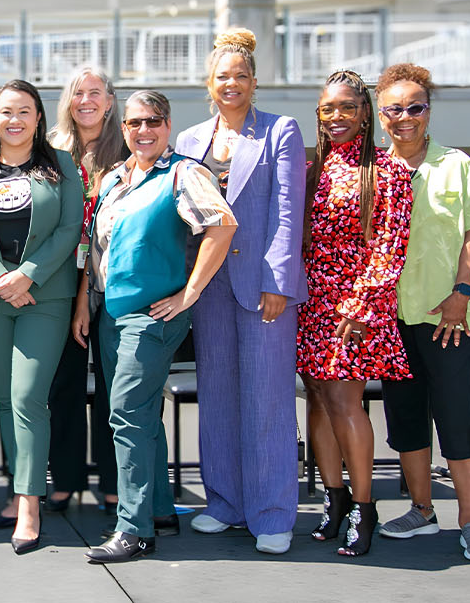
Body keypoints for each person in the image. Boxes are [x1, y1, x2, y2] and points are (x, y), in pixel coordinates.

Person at [75, 90, 237, 563]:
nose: (143, 131)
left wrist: (190, 293)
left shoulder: (184, 173)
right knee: (139, 412)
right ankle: (159, 509)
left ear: (168, 125)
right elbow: (95, 245)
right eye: (134, 123)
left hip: (150, 317)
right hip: (109, 312)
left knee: (126, 414)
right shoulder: (115, 178)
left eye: (154, 121)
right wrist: (86, 304)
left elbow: (222, 226)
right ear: (122, 128)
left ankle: (134, 530)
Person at [174, 29, 305, 555]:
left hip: (261, 286)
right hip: (207, 286)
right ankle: (225, 503)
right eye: (223, 76)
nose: (232, 84)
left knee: (268, 399)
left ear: (255, 82)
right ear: (210, 82)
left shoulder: (280, 132)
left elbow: (287, 213)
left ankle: (272, 512)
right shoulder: (188, 142)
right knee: (220, 396)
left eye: (241, 76)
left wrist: (279, 280)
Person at [370, 62, 470, 562]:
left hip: (449, 318)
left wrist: (461, 292)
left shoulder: (456, 165)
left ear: (429, 111)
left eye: (415, 107)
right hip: (392, 318)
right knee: (405, 418)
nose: (405, 117)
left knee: (457, 417)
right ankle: (421, 510)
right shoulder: (372, 170)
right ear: (381, 115)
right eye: (394, 109)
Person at [0, 79, 82, 554]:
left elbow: (70, 228)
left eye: (24, 112)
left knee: (29, 396)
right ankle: (15, 485)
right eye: (6, 112)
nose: (15, 120)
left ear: (38, 118)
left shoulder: (61, 165)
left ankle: (30, 502)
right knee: (6, 399)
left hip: (43, 298)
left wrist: (27, 275)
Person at [297, 69, 413, 557]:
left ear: (366, 111)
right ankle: (336, 500)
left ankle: (366, 510)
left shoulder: (388, 170)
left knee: (346, 403)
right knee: (319, 401)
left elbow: (391, 245)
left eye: (347, 107)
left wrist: (362, 303)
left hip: (355, 307)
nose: (337, 116)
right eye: (328, 109)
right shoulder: (313, 168)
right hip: (312, 303)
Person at [44, 65, 128, 515]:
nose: (86, 101)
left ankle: (116, 480)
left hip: (114, 281)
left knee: (118, 385)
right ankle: (67, 477)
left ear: (110, 101)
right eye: (78, 93)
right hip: (61, 280)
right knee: (65, 385)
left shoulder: (130, 146)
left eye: (95, 92)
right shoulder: (52, 148)